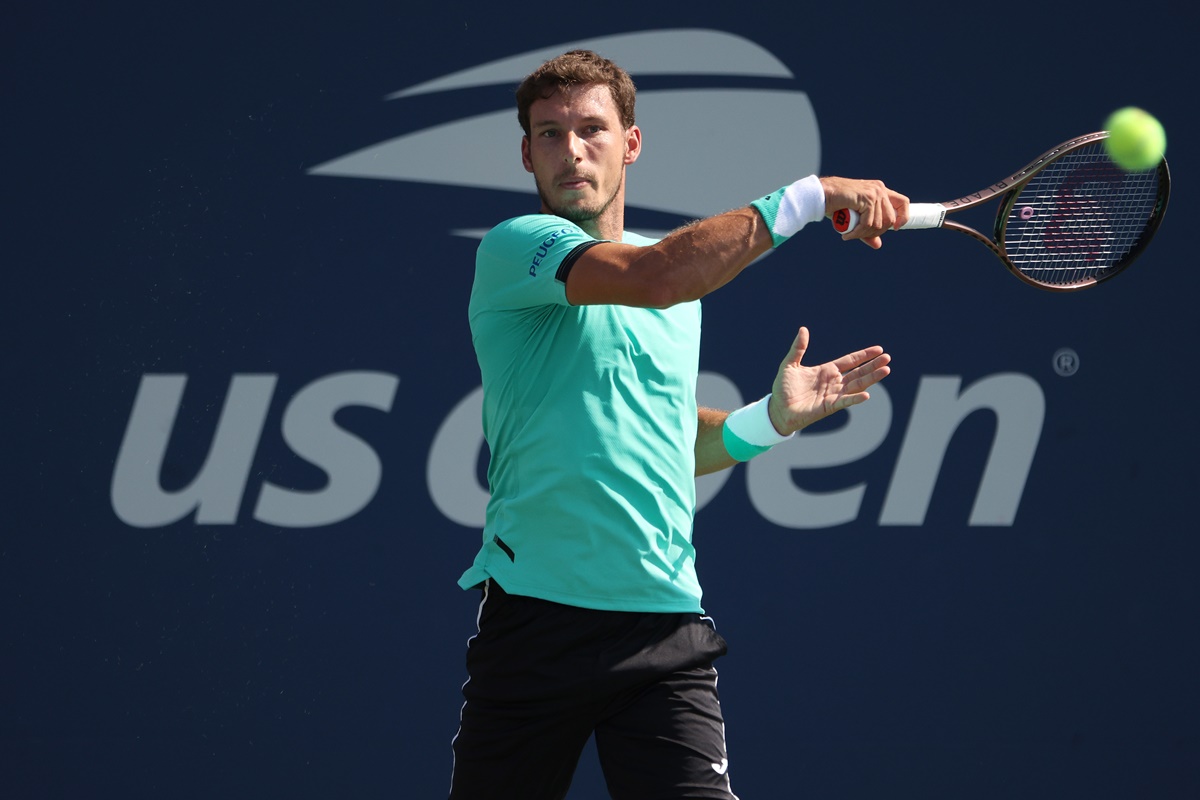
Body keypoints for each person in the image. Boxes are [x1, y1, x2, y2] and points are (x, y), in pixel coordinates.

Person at [449, 50, 907, 799]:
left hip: (662, 625)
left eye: (593, 130)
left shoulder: (679, 290)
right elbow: (657, 278)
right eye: (551, 134)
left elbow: (665, 440)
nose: (572, 151)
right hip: (533, 628)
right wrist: (812, 193)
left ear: (631, 143)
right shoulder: (516, 248)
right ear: (526, 152)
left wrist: (769, 421)